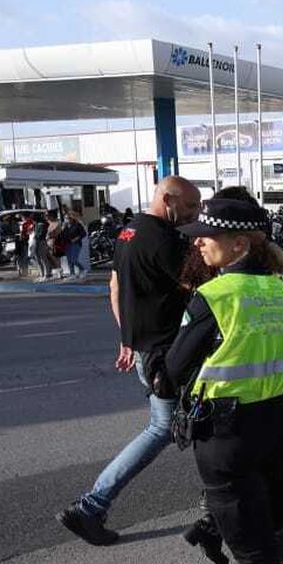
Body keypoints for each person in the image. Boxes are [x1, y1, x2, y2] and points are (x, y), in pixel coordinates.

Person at [161, 193, 283, 564]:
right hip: (277, 420)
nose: (199, 244)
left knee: (247, 534)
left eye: (208, 237)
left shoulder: (216, 297)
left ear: (240, 244)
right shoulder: (281, 291)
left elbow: (173, 368)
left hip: (226, 433)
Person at [57, 176, 202, 545]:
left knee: (191, 422)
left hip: (145, 349)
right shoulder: (166, 241)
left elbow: (116, 288)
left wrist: (128, 339)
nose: (194, 214)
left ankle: (220, 502)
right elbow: (203, 292)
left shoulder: (129, 232)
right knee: (168, 427)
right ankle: (92, 506)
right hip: (169, 354)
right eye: (190, 207)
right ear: (167, 199)